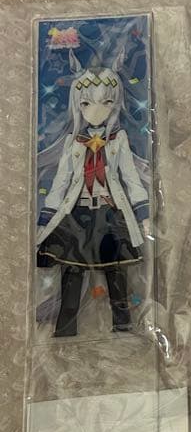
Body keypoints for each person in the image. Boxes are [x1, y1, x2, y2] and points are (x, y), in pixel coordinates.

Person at [36, 52, 149, 336]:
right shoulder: (72, 142)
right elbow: (61, 183)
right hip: (77, 214)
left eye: (106, 102)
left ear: (115, 104)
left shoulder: (118, 139)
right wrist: (45, 219)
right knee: (71, 274)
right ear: (78, 105)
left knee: (116, 273)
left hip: (110, 215)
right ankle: (65, 330)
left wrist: (143, 214)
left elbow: (131, 178)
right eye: (86, 103)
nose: (96, 110)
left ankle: (123, 328)